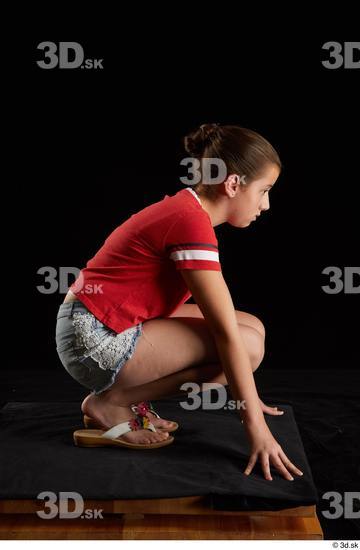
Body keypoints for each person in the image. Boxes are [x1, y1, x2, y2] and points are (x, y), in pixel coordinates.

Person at [56, 123, 303, 479]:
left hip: (99, 320)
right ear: (233, 184)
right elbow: (225, 334)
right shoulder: (190, 223)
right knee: (245, 347)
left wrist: (245, 389)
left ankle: (122, 398)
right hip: (91, 338)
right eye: (263, 190)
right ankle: (111, 402)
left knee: (253, 328)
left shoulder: (188, 209)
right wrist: (255, 426)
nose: (266, 205)